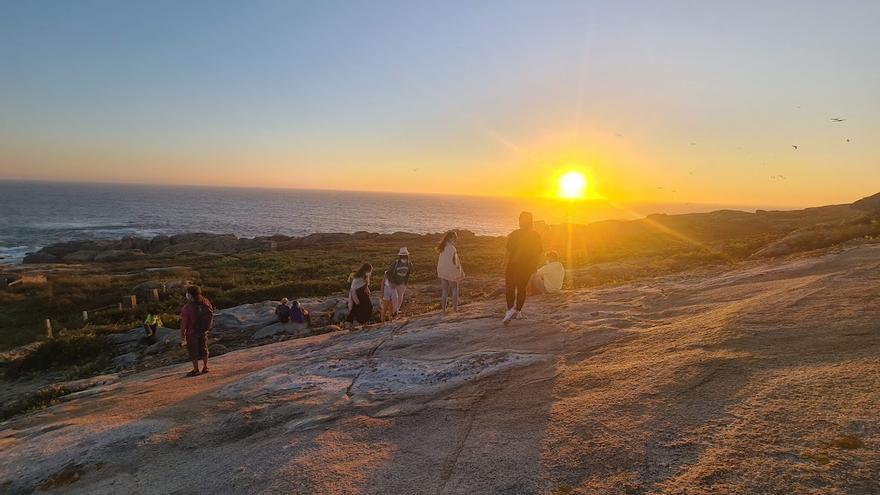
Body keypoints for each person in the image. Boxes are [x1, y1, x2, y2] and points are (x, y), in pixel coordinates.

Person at [503, 211, 543, 325]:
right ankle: (519, 312)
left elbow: (508, 250)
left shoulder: (515, 234)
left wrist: (504, 263)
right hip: (527, 267)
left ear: (520, 221)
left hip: (513, 266)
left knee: (510, 287)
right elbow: (539, 253)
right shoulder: (535, 235)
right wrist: (535, 266)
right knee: (522, 289)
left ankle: (510, 310)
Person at [179, 285, 214, 377]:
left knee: (193, 351)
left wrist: (182, 335)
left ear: (189, 295)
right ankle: (205, 367)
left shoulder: (187, 308)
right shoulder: (206, 302)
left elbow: (184, 323)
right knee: (204, 348)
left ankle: (196, 370)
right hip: (203, 331)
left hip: (192, 333)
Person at [436, 230, 465, 313]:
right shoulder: (452, 248)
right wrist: (459, 271)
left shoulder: (442, 246)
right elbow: (455, 262)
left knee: (444, 290)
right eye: (455, 238)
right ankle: (455, 309)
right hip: (450, 270)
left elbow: (442, 260)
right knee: (455, 289)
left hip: (442, 270)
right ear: (451, 238)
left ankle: (443, 310)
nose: (455, 239)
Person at [384, 247, 413, 318]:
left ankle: (395, 311)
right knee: (395, 298)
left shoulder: (409, 263)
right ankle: (393, 312)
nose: (404, 256)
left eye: (405, 255)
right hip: (394, 283)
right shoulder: (396, 263)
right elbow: (388, 273)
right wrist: (392, 282)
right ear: (400, 256)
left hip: (402, 283)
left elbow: (409, 273)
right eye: (402, 255)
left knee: (400, 297)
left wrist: (405, 283)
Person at [346, 263, 373, 330]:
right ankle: (349, 324)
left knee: (368, 307)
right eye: (369, 270)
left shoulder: (365, 276)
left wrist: (368, 292)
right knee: (356, 308)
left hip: (362, 293)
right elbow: (353, 288)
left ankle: (364, 323)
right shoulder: (359, 276)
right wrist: (355, 299)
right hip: (356, 293)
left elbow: (365, 285)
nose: (370, 272)